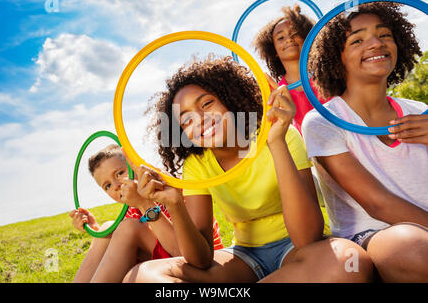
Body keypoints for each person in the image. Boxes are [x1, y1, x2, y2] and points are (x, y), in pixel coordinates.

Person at [123, 55, 373, 283]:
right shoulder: (197, 164)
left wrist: (275, 143)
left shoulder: (280, 135)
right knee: (144, 275)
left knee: (350, 262)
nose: (199, 120)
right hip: (244, 258)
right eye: (186, 119)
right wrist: (176, 206)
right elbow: (200, 260)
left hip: (298, 251)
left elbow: (308, 238)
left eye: (207, 104)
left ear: (231, 99)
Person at [301, 2, 428, 282]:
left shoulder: (419, 111)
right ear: (338, 57)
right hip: (373, 235)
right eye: (357, 39)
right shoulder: (323, 121)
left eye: (384, 35)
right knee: (414, 248)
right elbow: (377, 204)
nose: (375, 43)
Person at [69, 144, 224, 282]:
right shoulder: (131, 209)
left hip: (206, 266)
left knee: (128, 228)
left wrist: (144, 204)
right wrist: (96, 230)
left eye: (119, 173)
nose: (116, 185)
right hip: (170, 262)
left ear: (135, 165)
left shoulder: (167, 189)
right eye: (107, 185)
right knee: (107, 229)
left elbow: (186, 253)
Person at [253, 4, 330, 134]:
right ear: (273, 50)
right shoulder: (276, 93)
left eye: (295, 33)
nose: (289, 39)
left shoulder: (330, 73)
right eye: (280, 37)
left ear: (307, 37)